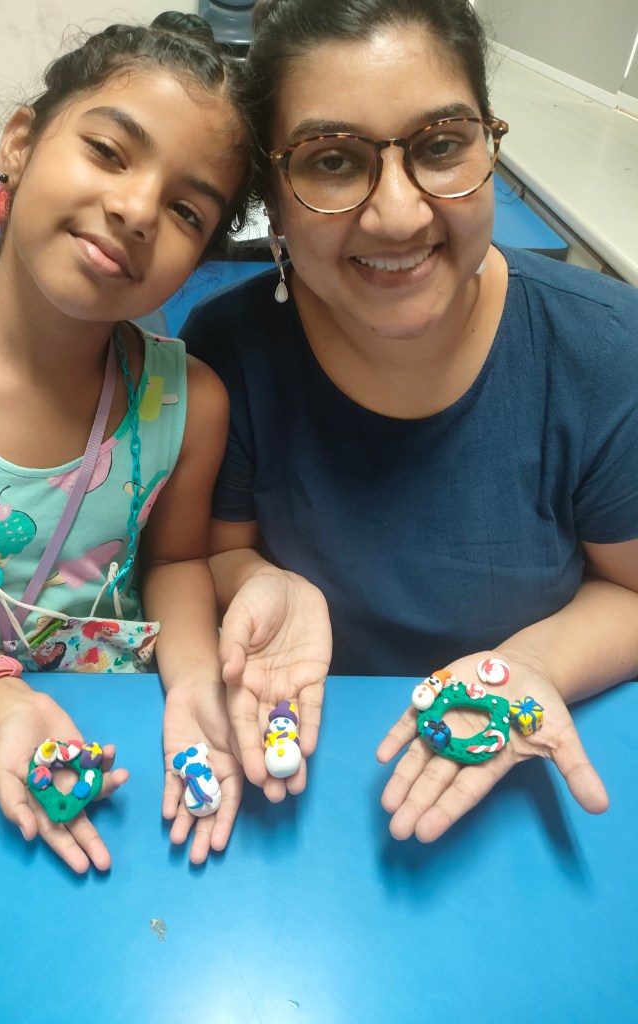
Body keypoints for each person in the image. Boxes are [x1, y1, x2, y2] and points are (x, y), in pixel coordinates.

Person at [181, 0, 638, 833]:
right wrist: (257, 581)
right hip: (297, 781)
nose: (398, 214)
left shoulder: (605, 351)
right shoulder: (227, 351)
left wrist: (529, 665)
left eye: (439, 145)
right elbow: (214, 550)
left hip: (529, 777)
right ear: (271, 199)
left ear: (490, 150)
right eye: (331, 160)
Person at [0, 20, 254, 871]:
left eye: (187, 210)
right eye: (109, 152)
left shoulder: (189, 404)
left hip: (127, 749)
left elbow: (178, 562)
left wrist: (194, 684)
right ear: (19, 142)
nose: (137, 210)